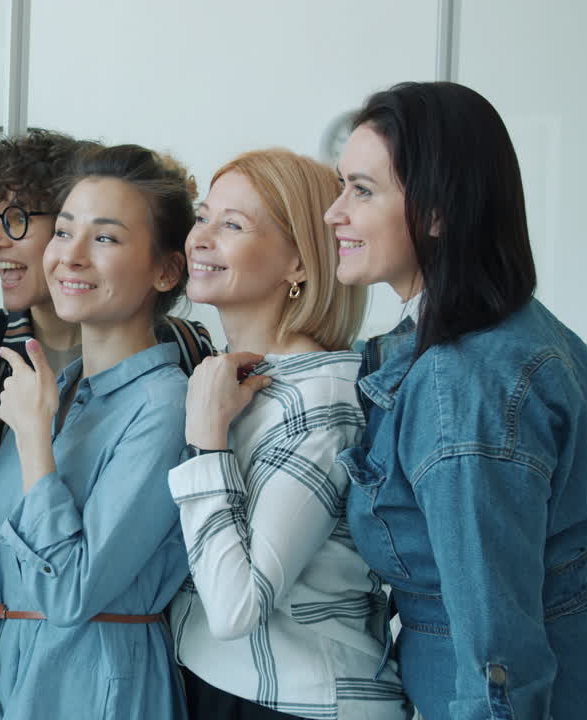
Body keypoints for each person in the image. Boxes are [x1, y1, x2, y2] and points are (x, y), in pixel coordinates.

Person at [327, 81, 587, 719]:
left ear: (437, 213)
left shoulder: (464, 386)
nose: (334, 213)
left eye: (362, 190)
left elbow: (498, 654)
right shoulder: (516, 327)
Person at [0, 132, 213, 718]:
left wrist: (32, 440)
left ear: (167, 270)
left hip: (99, 684)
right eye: (66, 232)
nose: (70, 255)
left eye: (105, 237)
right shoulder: (53, 388)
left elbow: (71, 590)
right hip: (9, 680)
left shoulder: (167, 404)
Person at [169, 149, 407, 720]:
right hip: (221, 684)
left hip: (296, 700)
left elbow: (236, 609)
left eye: (233, 225)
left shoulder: (318, 400)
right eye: (203, 217)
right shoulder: (229, 377)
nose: (201, 239)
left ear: (299, 264)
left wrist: (206, 442)